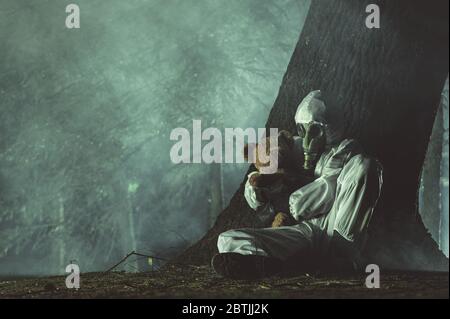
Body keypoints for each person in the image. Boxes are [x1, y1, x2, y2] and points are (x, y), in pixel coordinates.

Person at [212, 91, 383, 279]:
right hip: (302, 230)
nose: (308, 137)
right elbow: (263, 173)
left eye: (315, 130)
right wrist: (256, 185)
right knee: (228, 240)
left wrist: (287, 196)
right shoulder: (290, 147)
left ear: (330, 128)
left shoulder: (346, 150)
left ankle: (340, 257)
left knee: (365, 164)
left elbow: (322, 195)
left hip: (335, 226)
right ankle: (266, 265)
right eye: (304, 129)